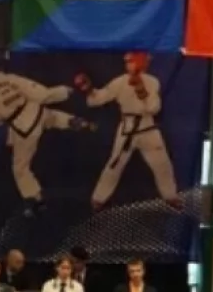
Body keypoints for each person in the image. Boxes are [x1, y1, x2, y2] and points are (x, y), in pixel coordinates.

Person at [0, 56, 96, 218]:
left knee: (20, 168)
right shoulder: (12, 78)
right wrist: (63, 91)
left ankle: (35, 199)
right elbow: (40, 94)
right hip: (35, 111)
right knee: (49, 116)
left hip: (23, 127)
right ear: (1, 67)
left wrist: (4, 115)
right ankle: (72, 121)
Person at [75, 52, 183, 211]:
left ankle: (170, 196)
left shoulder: (152, 81)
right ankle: (98, 198)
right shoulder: (120, 82)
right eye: (127, 62)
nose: (129, 65)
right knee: (115, 164)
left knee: (162, 164)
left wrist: (141, 90)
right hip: (127, 127)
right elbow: (98, 99)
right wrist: (89, 90)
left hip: (147, 127)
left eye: (133, 62)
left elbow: (154, 108)